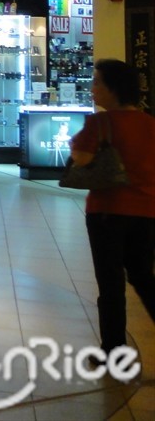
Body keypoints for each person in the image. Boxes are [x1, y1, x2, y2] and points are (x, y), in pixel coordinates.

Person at [70, 59, 155, 356]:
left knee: (110, 284)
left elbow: (80, 158)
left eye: (97, 82)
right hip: (146, 212)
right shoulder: (149, 123)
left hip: (107, 211)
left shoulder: (100, 123)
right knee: (144, 276)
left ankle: (113, 349)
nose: (92, 89)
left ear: (113, 89)